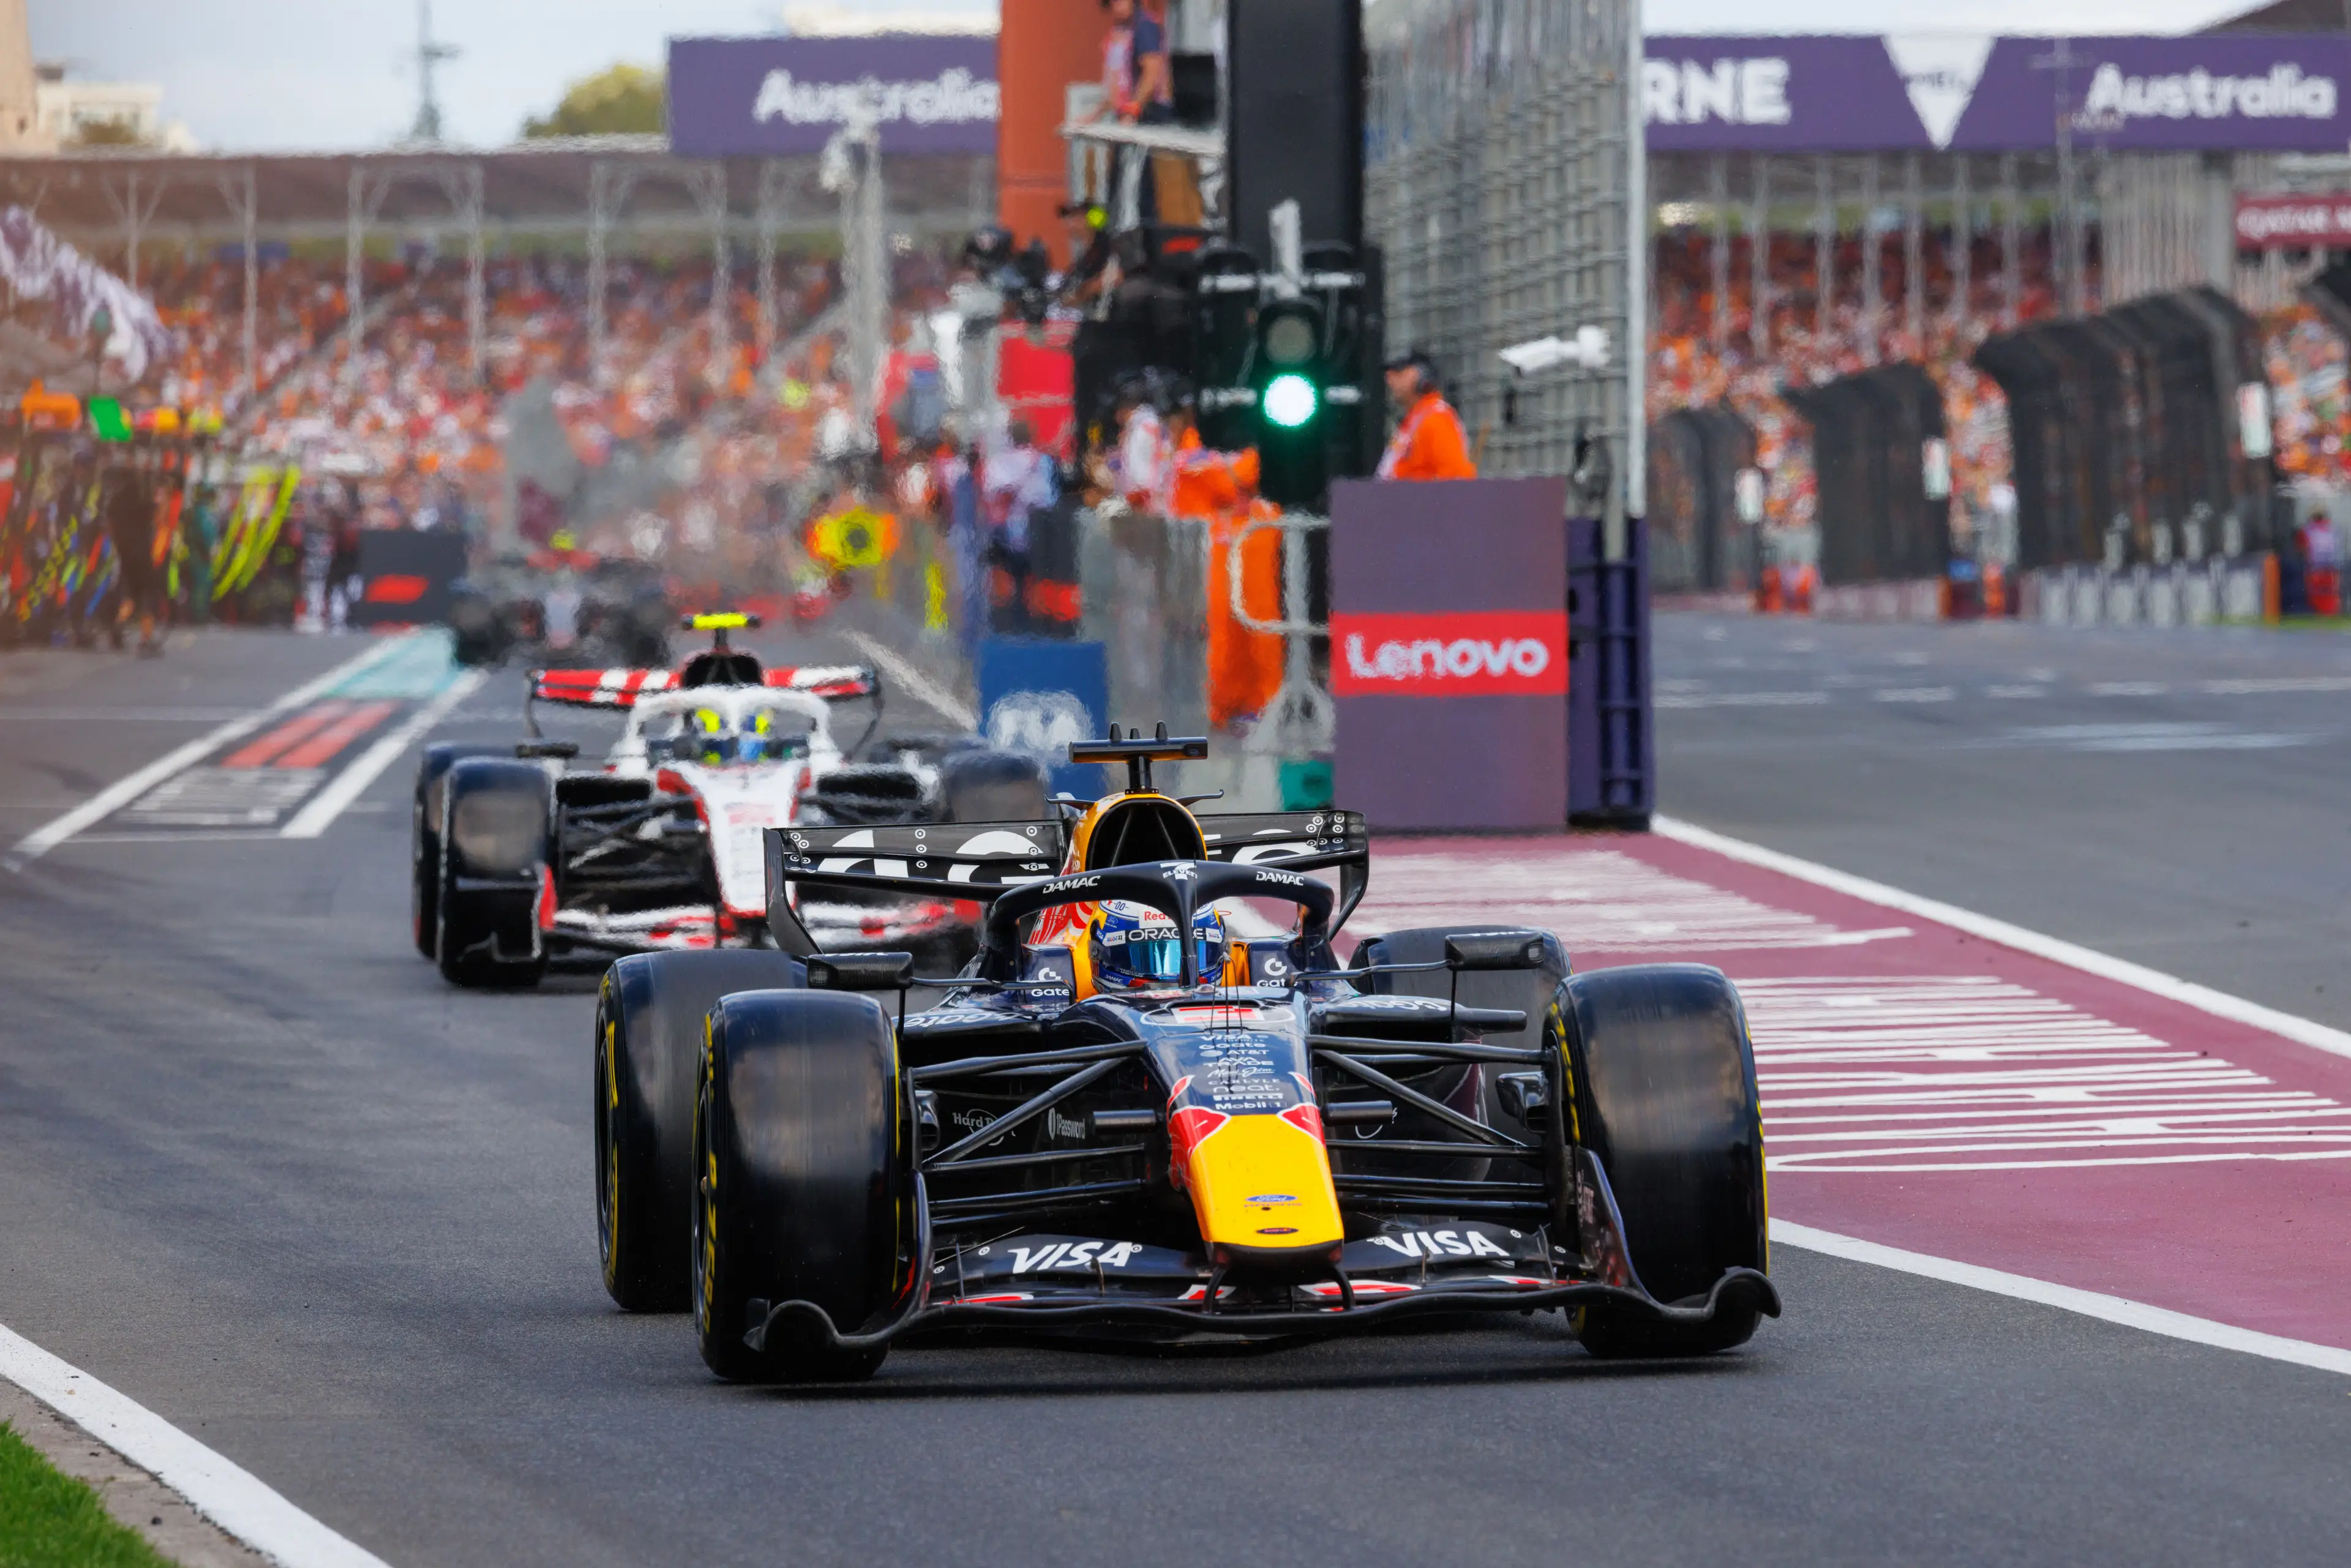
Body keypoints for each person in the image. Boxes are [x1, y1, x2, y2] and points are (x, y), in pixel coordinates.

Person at [1376, 351, 1475, 481]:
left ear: (1422, 376)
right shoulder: (1416, 418)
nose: (1389, 379)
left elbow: (1455, 479)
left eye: (1399, 371)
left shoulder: (1437, 418)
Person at [101, 470, 165, 657]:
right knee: (146, 597)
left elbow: (109, 527)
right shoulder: (143, 502)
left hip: (125, 555)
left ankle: (118, 627)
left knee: (131, 595)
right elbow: (159, 519)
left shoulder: (115, 503)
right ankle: (146, 639)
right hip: (143, 556)